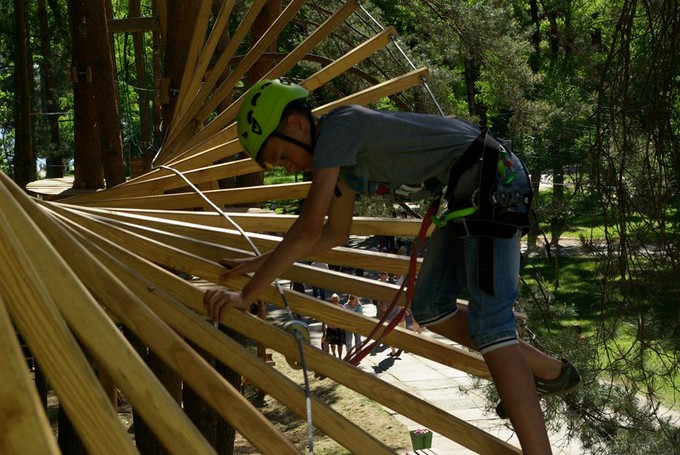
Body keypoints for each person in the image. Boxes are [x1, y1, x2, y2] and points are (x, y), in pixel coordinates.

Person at [204, 78, 580, 454]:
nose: (288, 166)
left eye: (282, 156)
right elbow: (332, 233)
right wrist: (256, 264)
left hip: (494, 183)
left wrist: (245, 295)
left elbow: (306, 227)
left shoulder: (338, 127)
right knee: (430, 307)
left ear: (296, 125)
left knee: (493, 325)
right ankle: (549, 372)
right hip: (471, 190)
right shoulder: (343, 165)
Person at [324, 293, 345, 358]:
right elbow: (325, 317)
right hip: (330, 328)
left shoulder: (342, 307)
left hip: (339, 329)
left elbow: (345, 317)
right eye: (333, 300)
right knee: (332, 343)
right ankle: (334, 355)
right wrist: (324, 326)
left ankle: (340, 357)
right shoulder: (328, 308)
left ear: (338, 300)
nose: (335, 301)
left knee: (340, 345)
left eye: (336, 300)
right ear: (331, 300)